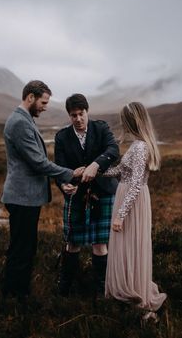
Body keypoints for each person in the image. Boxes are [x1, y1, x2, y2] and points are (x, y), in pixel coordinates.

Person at [1, 80, 83, 300]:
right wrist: (71, 173)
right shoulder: (19, 122)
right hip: (22, 197)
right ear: (30, 97)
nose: (45, 107)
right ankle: (16, 297)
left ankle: (15, 293)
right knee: (22, 250)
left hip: (25, 197)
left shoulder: (24, 119)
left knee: (24, 248)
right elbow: (38, 163)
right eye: (43, 102)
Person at [103, 102, 167, 321]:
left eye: (124, 120)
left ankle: (135, 293)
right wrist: (94, 172)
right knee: (127, 246)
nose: (122, 124)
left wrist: (120, 215)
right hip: (128, 198)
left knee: (130, 245)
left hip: (132, 202)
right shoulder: (138, 144)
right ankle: (128, 290)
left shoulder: (140, 147)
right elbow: (120, 171)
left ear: (130, 121)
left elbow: (136, 183)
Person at [54, 93, 119, 297]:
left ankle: (101, 291)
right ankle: (65, 289)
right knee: (72, 242)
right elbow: (59, 168)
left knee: (100, 244)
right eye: (74, 115)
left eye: (81, 114)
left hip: (103, 192)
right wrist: (64, 184)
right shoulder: (62, 137)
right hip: (77, 196)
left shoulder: (101, 128)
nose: (78, 119)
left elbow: (113, 149)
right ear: (69, 115)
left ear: (87, 111)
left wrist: (95, 164)